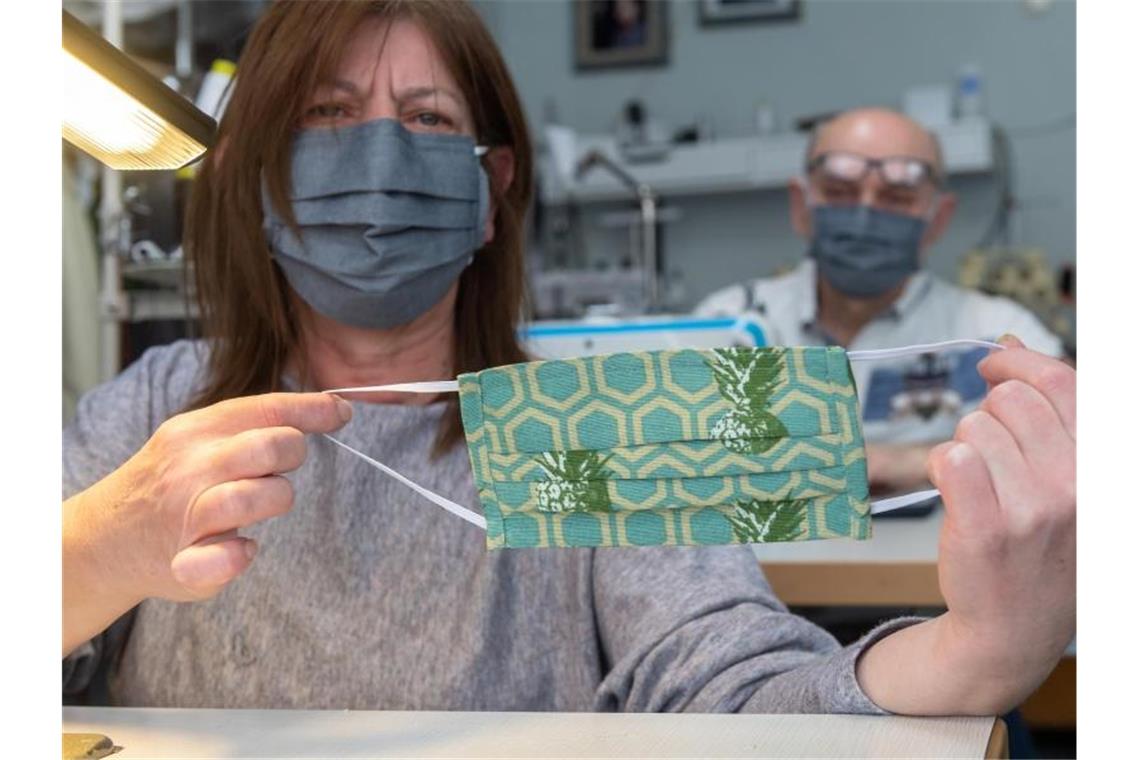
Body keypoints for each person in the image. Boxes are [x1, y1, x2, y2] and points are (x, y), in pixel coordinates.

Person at [64, 0, 1075, 717]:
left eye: (426, 119)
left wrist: (976, 651)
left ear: (491, 185)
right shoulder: (153, 412)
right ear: (259, 172)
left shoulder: (589, 421)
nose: (377, 158)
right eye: (326, 114)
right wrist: (109, 544)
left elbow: (737, 681)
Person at [695, 108, 1065, 496]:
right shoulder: (728, 324)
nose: (866, 213)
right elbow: (678, 456)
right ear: (801, 205)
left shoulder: (993, 330)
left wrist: (915, 460)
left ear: (939, 218)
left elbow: (1075, 437)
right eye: (839, 192)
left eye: (896, 197)